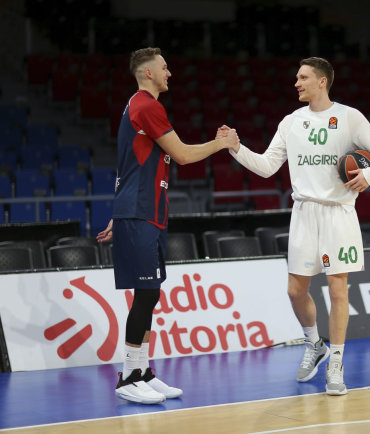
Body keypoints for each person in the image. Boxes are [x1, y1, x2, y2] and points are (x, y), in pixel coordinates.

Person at [217, 57, 370, 395]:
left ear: (322, 81)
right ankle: (315, 344)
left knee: (339, 291)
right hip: (303, 212)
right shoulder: (290, 122)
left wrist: (368, 175)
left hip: (339, 213)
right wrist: (235, 148)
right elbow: (268, 166)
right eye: (297, 77)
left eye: (303, 77)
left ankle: (337, 364)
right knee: (295, 291)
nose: (296, 83)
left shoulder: (349, 117)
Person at [97, 47, 239, 404]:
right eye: (164, 67)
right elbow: (184, 154)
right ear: (148, 73)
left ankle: (143, 371)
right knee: (145, 294)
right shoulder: (147, 105)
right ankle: (129, 375)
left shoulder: (138, 106)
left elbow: (127, 165)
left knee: (153, 292)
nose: (169, 73)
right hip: (141, 211)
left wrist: (119, 209)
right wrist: (222, 143)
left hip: (146, 210)